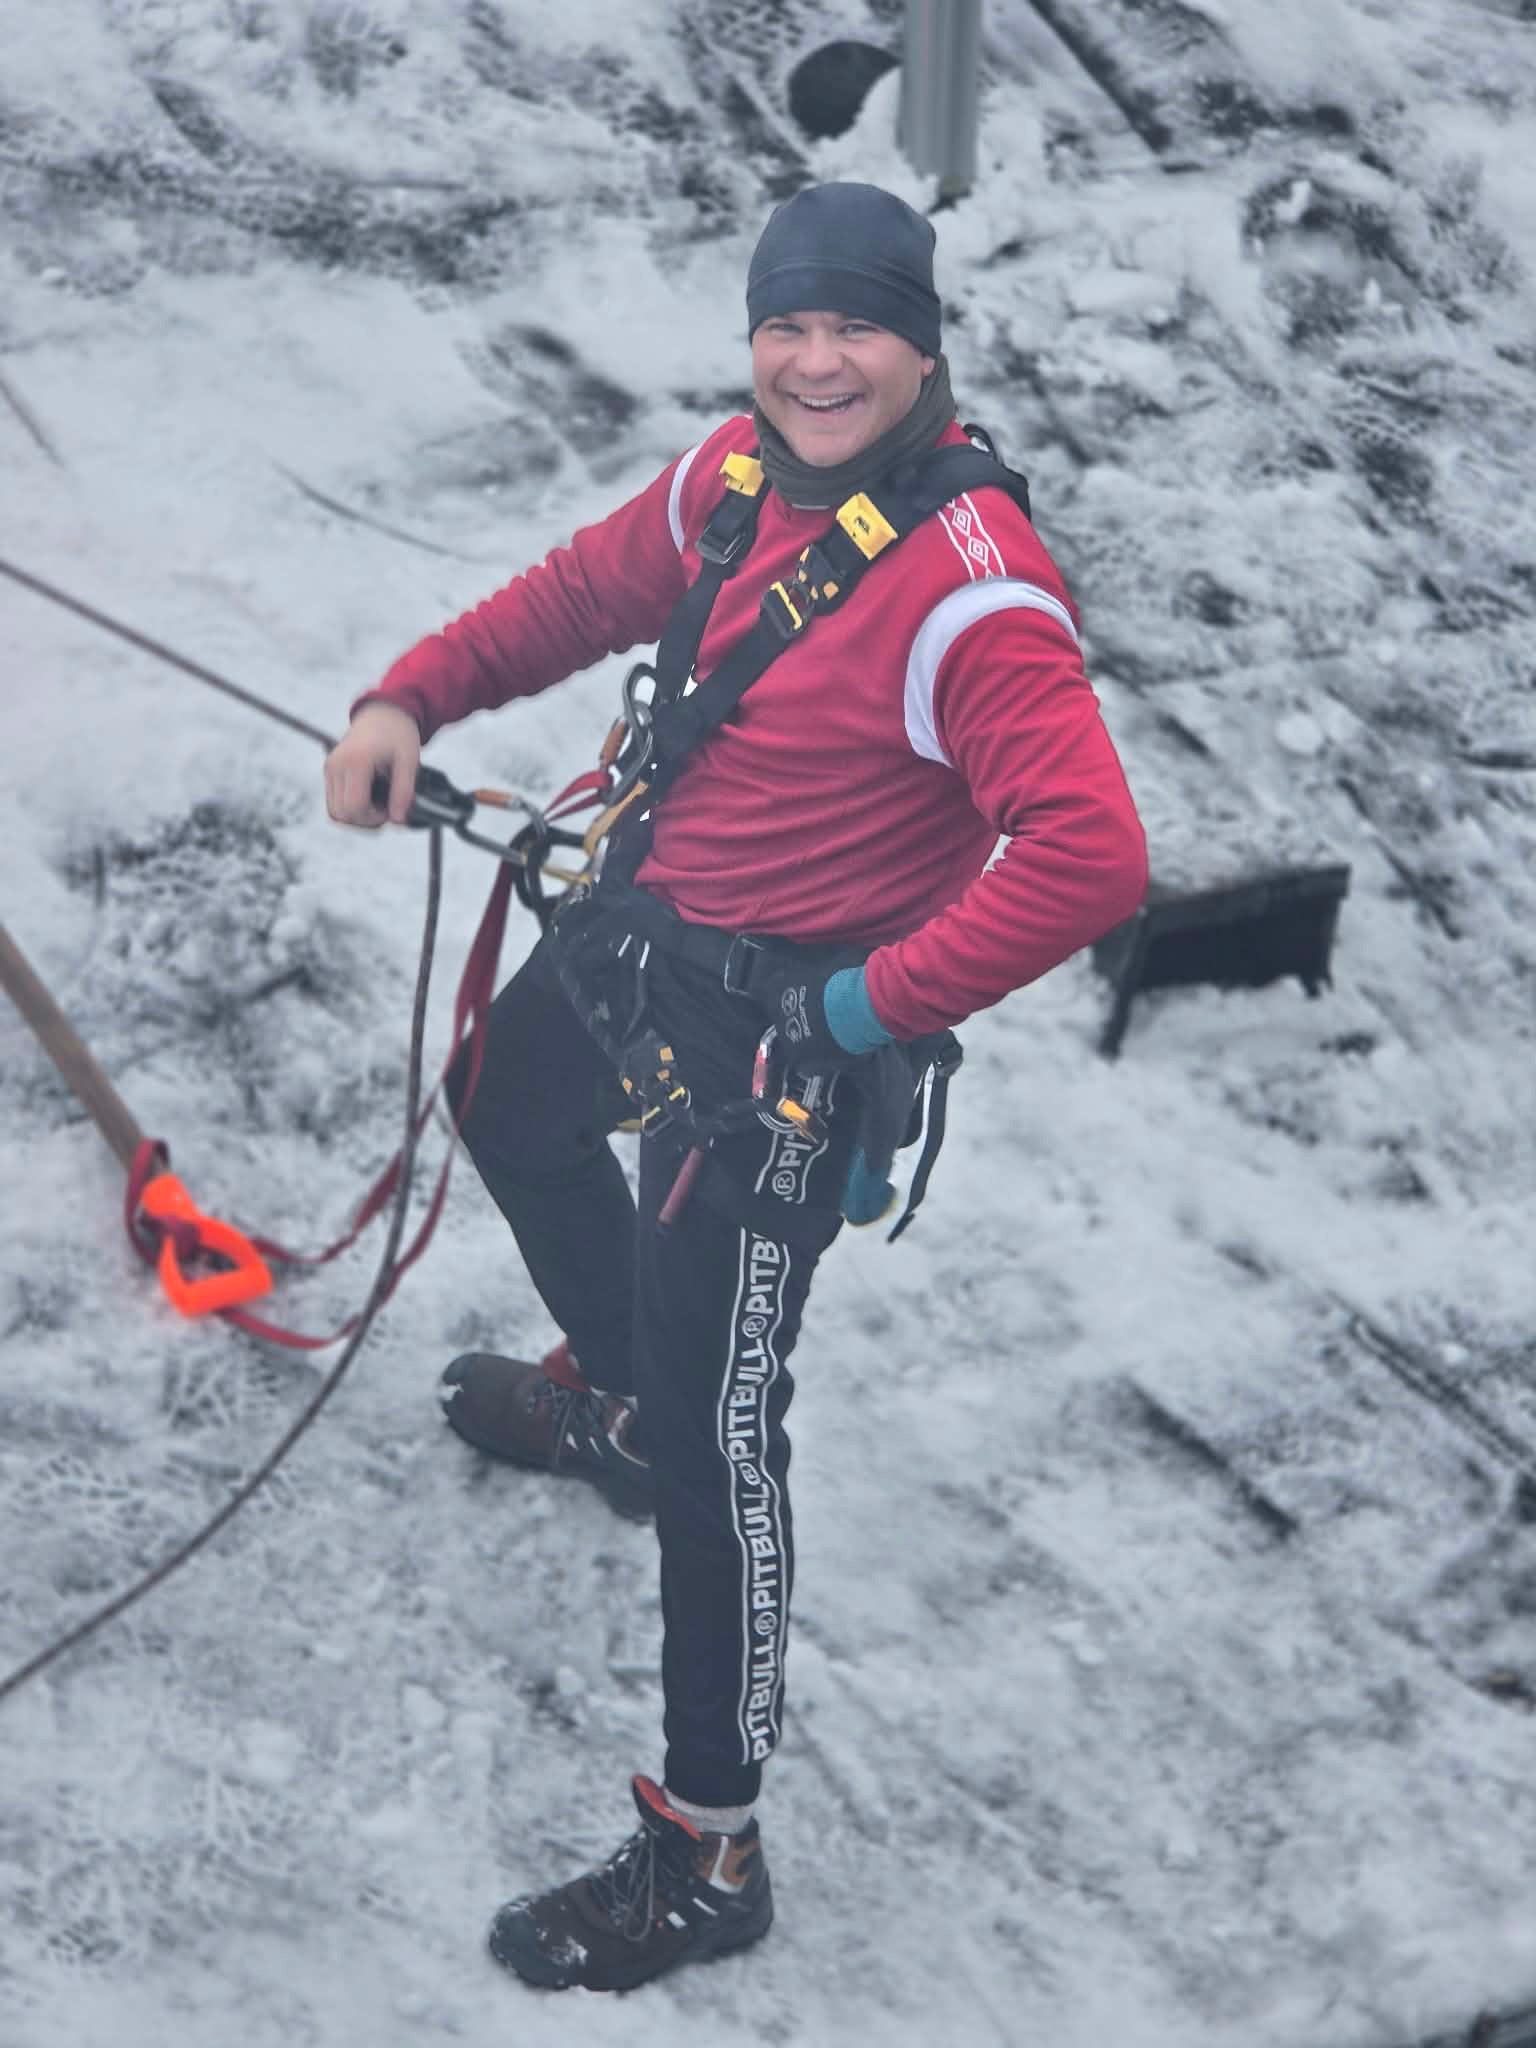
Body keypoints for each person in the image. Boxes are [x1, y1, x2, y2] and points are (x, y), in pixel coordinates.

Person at [324, 180, 1148, 1992]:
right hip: (652, 946)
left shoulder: (968, 593)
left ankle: (709, 1852)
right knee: (512, 1101)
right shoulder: (735, 485)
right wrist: (409, 700)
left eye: (856, 325)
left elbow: (1088, 856)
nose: (816, 357)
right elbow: (571, 595)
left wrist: (865, 1011)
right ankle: (625, 1397)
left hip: (780, 1064)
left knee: (726, 1446)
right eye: (787, 325)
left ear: (923, 343)